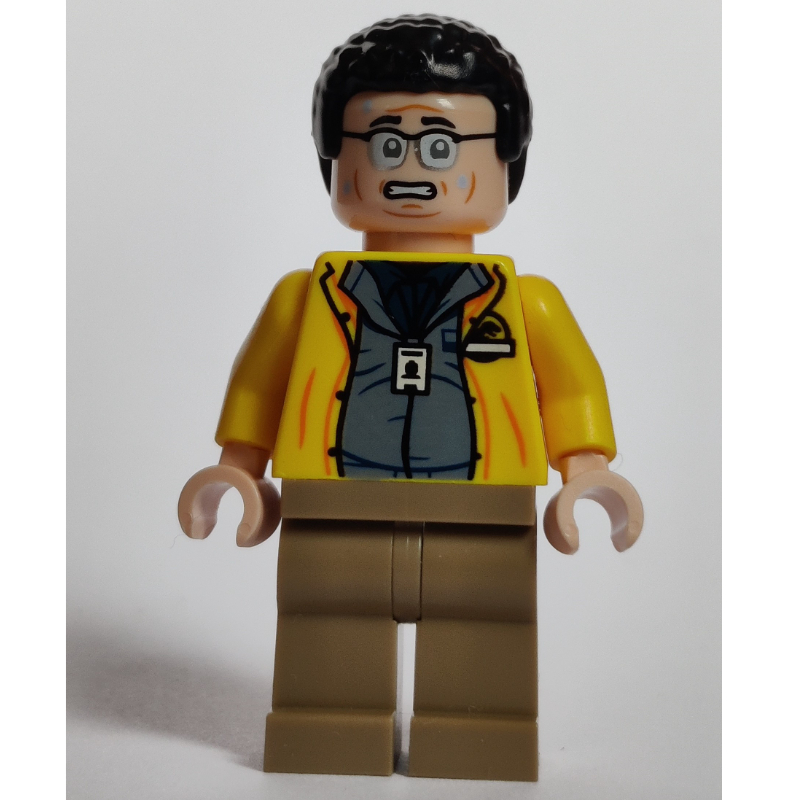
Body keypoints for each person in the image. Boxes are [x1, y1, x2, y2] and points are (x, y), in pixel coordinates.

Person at [178, 14, 643, 781]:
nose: (412, 170)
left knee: (484, 623)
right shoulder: (306, 297)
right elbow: (259, 383)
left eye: (443, 146)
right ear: (336, 161)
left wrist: (587, 472)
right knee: (326, 616)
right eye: (385, 145)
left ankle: (479, 731)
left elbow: (571, 388)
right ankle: (327, 725)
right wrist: (237, 468)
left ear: (506, 162)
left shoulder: (525, 303)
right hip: (332, 497)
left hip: (484, 505)